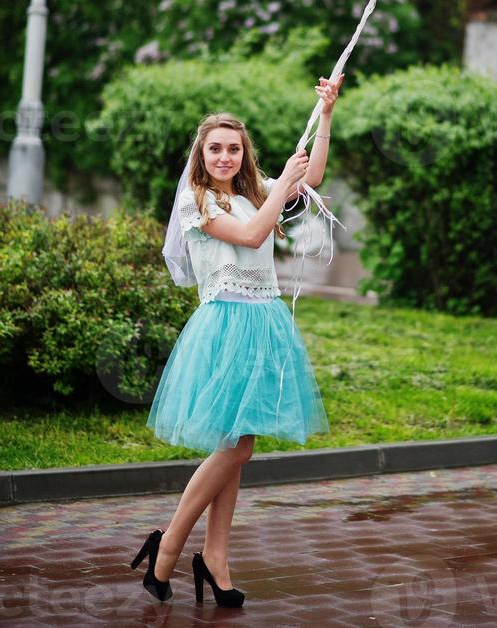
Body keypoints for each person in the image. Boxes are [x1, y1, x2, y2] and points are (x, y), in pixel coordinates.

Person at [130, 73, 344, 607]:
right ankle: (170, 547)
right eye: (215, 149)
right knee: (236, 446)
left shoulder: (254, 193)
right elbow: (251, 236)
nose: (225, 157)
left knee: (238, 445)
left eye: (233, 149)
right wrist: (281, 187)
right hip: (224, 326)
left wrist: (327, 115)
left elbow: (313, 174)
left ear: (243, 154)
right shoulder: (197, 206)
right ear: (201, 156)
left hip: (264, 322)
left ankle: (215, 559)